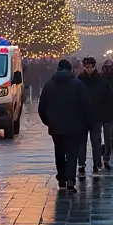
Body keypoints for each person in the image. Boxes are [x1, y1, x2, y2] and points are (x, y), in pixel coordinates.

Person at [38, 59, 93, 191]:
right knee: (72, 153)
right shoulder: (78, 85)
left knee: (59, 152)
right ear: (71, 70)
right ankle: (70, 180)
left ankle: (61, 177)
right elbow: (86, 106)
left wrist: (49, 121)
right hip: (75, 126)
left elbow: (42, 107)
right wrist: (86, 123)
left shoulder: (49, 85)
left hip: (56, 127)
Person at [78, 56, 113, 176]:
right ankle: (81, 164)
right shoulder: (79, 80)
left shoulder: (102, 82)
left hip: (96, 116)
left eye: (90, 67)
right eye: (86, 67)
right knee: (82, 142)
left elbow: (108, 100)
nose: (88, 69)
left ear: (94, 67)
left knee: (96, 141)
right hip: (82, 117)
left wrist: (106, 115)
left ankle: (96, 164)